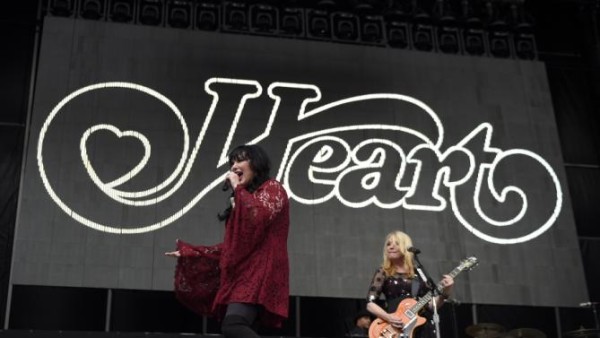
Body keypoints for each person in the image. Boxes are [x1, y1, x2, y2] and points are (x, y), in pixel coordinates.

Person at [165, 144, 290, 338]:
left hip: (261, 271)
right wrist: (194, 253)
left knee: (233, 325)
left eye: (240, 160)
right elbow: (233, 247)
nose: (234, 166)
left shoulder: (272, 188)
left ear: (256, 163)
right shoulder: (242, 199)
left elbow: (258, 217)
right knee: (237, 327)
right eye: (232, 162)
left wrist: (238, 189)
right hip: (243, 272)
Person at [366, 230, 454, 338]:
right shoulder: (384, 272)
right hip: (395, 327)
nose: (390, 247)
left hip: (421, 327)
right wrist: (388, 317)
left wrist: (446, 292)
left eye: (396, 243)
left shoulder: (419, 272)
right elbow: (370, 304)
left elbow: (431, 305)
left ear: (406, 247)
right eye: (388, 244)